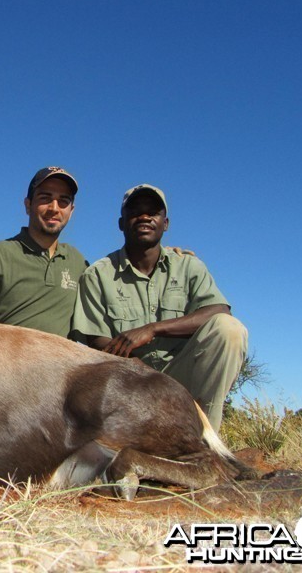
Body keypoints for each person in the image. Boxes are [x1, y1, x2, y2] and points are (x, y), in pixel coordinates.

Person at [71, 184, 247, 430]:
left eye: (153, 212)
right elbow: (96, 340)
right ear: (121, 223)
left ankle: (207, 437)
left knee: (229, 329)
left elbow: (219, 310)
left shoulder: (189, 266)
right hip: (133, 382)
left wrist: (153, 329)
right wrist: (144, 373)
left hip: (184, 378)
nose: (144, 217)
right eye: (135, 212)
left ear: (165, 223)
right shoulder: (98, 275)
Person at [0, 166, 88, 338]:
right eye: (45, 198)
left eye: (63, 201)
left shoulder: (79, 263)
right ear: (28, 205)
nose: (54, 208)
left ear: (71, 211)